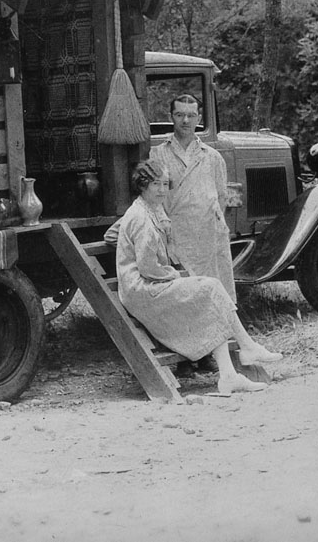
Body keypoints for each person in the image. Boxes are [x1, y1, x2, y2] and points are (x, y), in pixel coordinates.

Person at [114, 160, 282, 395]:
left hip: (147, 284)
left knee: (208, 295)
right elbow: (148, 267)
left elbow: (115, 233)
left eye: (165, 184)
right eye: (155, 184)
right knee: (210, 287)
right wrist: (171, 274)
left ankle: (229, 375)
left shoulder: (147, 209)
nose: (162, 190)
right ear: (143, 185)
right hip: (142, 289)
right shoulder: (141, 216)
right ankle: (248, 347)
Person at [149, 93, 236, 300]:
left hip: (207, 237)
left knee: (213, 291)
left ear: (198, 118)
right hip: (176, 234)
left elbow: (222, 196)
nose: (185, 121)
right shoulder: (158, 154)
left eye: (191, 115)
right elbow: (153, 200)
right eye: (180, 115)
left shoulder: (212, 157)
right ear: (171, 116)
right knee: (183, 294)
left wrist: (215, 226)